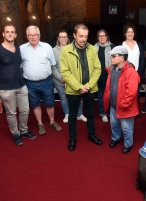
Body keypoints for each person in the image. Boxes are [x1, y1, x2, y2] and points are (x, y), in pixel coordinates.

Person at [0, 24, 36, 146]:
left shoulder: (18, 49)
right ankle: (16, 134)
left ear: (15, 34)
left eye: (12, 32)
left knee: (25, 110)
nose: (10, 34)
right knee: (12, 113)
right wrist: (2, 76)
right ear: (3, 34)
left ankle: (24, 130)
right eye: (7, 32)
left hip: (21, 85)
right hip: (5, 89)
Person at [60, 23, 103, 151]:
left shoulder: (92, 49)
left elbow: (98, 68)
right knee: (72, 116)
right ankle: (72, 138)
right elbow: (65, 72)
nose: (84, 39)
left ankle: (91, 135)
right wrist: (79, 87)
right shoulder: (65, 51)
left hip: (90, 89)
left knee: (90, 114)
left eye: (86, 36)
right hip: (73, 90)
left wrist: (89, 86)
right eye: (81, 36)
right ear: (74, 35)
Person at [20, 25, 62, 135]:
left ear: (39, 35)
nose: (33, 37)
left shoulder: (47, 47)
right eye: (30, 35)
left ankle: (52, 122)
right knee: (35, 105)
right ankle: (40, 124)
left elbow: (53, 64)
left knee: (49, 104)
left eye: (35, 34)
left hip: (46, 81)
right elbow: (20, 66)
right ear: (27, 36)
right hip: (29, 83)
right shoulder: (22, 49)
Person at [103, 46, 139, 154]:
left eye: (114, 56)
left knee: (127, 128)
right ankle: (115, 138)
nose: (111, 58)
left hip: (124, 106)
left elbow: (131, 92)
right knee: (114, 124)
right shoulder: (112, 69)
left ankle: (128, 144)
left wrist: (123, 104)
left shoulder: (131, 72)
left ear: (122, 57)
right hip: (113, 104)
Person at [52, 30, 87, 123]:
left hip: (74, 80)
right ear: (58, 39)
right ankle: (67, 114)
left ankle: (79, 114)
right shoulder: (53, 51)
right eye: (61, 37)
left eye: (65, 37)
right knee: (63, 98)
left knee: (80, 96)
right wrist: (60, 77)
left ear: (68, 38)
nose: (63, 39)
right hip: (60, 80)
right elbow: (53, 67)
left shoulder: (74, 48)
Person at [94, 29, 115, 123]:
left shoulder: (113, 47)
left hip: (111, 76)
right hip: (98, 77)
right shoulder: (93, 48)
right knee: (100, 96)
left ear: (107, 37)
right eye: (100, 36)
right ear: (97, 38)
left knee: (111, 96)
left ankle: (111, 112)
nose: (102, 37)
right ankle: (103, 113)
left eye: (104, 35)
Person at [122, 23, 145, 106]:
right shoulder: (121, 45)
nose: (130, 34)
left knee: (136, 94)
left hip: (137, 74)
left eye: (132, 32)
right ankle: (126, 111)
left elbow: (142, 60)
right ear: (125, 33)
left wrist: (138, 73)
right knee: (125, 94)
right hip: (125, 75)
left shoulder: (139, 45)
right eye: (128, 32)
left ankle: (135, 110)